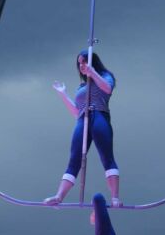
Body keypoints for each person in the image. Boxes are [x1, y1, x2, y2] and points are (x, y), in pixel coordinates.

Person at [44, 51, 121, 207]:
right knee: (74, 159)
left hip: (99, 116)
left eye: (85, 62)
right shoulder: (82, 86)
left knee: (107, 157)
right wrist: (63, 94)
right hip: (82, 120)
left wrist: (92, 73)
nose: (82, 65)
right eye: (79, 63)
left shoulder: (105, 76)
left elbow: (107, 89)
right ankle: (59, 196)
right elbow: (76, 112)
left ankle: (115, 197)